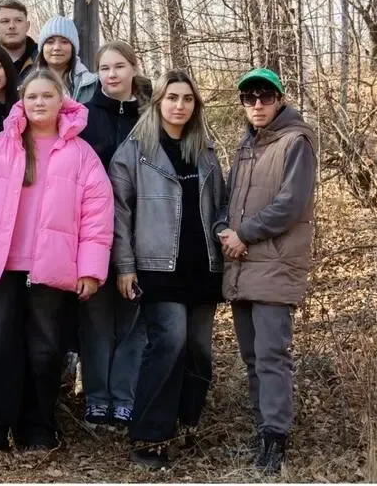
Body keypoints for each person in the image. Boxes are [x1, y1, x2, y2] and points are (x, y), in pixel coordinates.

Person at [0, 70, 114, 452]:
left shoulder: (80, 153)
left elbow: (97, 214)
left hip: (52, 267)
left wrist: (91, 268)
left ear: (63, 101)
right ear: (21, 101)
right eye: (31, 97)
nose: (39, 103)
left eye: (47, 96)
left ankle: (38, 425)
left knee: (44, 348)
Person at [109, 70, 227, 468]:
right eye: (172, 97)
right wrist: (125, 267)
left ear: (195, 106)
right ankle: (148, 435)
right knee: (169, 342)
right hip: (157, 268)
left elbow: (221, 206)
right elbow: (119, 216)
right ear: (158, 102)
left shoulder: (205, 151)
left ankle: (188, 422)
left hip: (203, 267)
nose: (180, 105)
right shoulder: (134, 152)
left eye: (187, 99)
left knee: (199, 349)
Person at [217, 68, 316, 474]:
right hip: (242, 264)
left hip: (273, 262)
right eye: (249, 98)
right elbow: (230, 200)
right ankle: (262, 433)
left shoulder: (297, 142)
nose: (257, 104)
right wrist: (223, 229)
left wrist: (243, 234)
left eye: (265, 96)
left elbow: (290, 205)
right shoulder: (246, 146)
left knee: (272, 355)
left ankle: (276, 440)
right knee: (252, 356)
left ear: (280, 98)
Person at [76, 41, 152, 430]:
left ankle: (125, 396)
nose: (111, 75)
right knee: (96, 318)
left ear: (133, 69)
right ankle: (97, 396)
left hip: (141, 229)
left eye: (119, 67)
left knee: (133, 317)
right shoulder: (85, 116)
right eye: (104, 68)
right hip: (93, 231)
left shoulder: (150, 115)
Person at [34, 16, 98, 103]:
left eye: (64, 42)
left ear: (73, 48)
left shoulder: (91, 84)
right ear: (42, 48)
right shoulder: (28, 84)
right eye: (50, 42)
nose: (56, 48)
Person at [0, 0, 37, 80]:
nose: (12, 26)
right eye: (5, 21)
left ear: (27, 26)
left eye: (18, 20)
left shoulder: (43, 61)